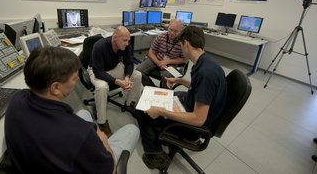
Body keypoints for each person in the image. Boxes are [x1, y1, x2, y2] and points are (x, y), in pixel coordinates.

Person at [5, 47, 139, 174]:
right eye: (75, 78)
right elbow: (111, 170)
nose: (76, 82)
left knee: (84, 113)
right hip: (91, 155)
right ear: (55, 87)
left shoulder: (16, 100)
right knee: (132, 130)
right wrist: (103, 141)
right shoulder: (80, 134)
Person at [135, 26, 227, 170]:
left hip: (194, 126)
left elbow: (198, 119)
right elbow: (202, 89)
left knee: (142, 110)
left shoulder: (206, 73)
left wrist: (161, 112)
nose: (181, 50)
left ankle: (154, 153)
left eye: (180, 46)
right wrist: (180, 81)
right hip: (190, 103)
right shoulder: (206, 61)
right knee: (162, 95)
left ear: (186, 44)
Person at [89, 26, 143, 137]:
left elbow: (129, 63)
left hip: (113, 68)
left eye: (128, 40)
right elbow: (98, 72)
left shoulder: (125, 45)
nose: (127, 43)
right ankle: (102, 122)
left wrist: (127, 77)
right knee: (102, 87)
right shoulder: (99, 46)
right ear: (115, 38)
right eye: (124, 40)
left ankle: (130, 104)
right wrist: (118, 82)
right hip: (97, 70)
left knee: (137, 75)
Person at [136, 19, 184, 88]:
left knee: (166, 78)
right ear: (168, 27)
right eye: (170, 29)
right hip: (157, 59)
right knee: (139, 72)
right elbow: (151, 52)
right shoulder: (161, 37)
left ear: (180, 31)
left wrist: (168, 61)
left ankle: (163, 94)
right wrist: (159, 63)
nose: (172, 33)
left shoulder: (182, 42)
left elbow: (183, 59)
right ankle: (153, 89)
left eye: (176, 31)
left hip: (171, 64)